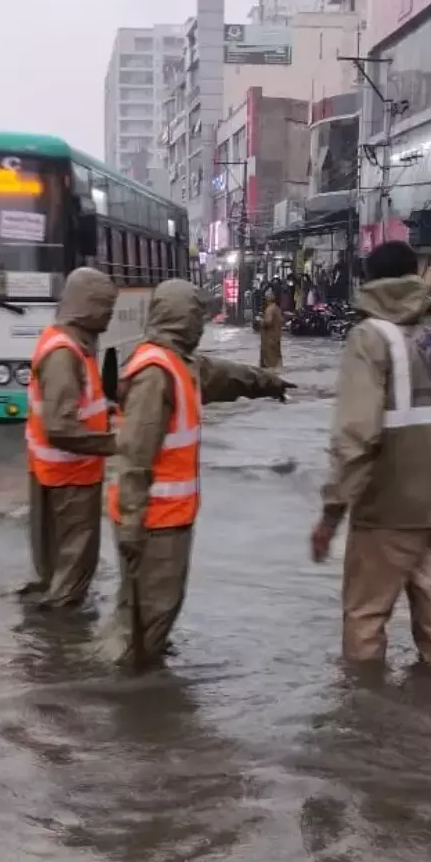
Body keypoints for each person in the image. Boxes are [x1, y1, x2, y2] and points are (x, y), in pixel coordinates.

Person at [309, 241, 431, 670]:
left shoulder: (369, 337)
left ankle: (365, 720)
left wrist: (331, 512)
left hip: (387, 511)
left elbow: (357, 435)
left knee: (366, 619)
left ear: (370, 283)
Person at [105, 279, 293, 667]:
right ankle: (127, 692)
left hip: (166, 519)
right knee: (148, 616)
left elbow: (225, 376)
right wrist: (132, 526)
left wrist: (268, 383)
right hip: (152, 522)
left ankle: (135, 676)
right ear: (182, 318)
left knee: (152, 611)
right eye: (197, 316)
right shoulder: (155, 372)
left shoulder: (180, 363)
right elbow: (135, 457)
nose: (202, 325)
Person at [21, 268, 119, 610]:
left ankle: (47, 631)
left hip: (56, 474)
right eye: (105, 306)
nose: (110, 314)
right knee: (73, 572)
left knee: (57, 567)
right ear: (86, 305)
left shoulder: (70, 345)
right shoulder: (65, 354)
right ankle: (60, 643)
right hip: (70, 478)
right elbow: (60, 427)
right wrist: (115, 443)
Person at [259, 289, 284, 369]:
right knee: (277, 362)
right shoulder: (277, 308)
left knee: (269, 364)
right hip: (276, 338)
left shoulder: (270, 309)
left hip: (269, 339)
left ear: (267, 299)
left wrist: (261, 321)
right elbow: (281, 320)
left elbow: (268, 322)